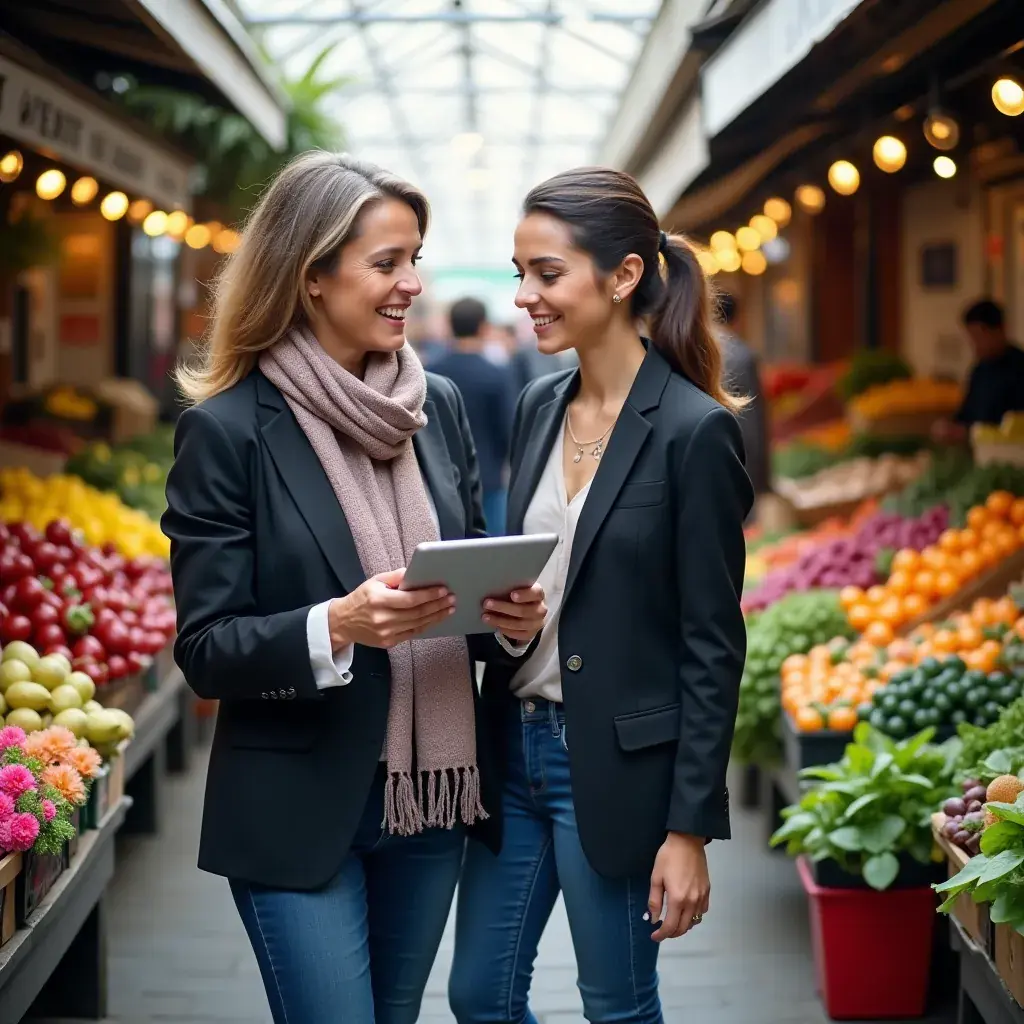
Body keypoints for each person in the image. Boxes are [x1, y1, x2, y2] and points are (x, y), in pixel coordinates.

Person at [161, 151, 546, 1024]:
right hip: (296, 806)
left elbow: (467, 575)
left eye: (416, 257)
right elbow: (206, 648)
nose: (413, 282)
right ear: (311, 277)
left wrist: (511, 619)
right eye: (387, 262)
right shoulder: (227, 431)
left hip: (431, 802)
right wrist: (335, 624)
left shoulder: (434, 405)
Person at [448, 167, 753, 1024]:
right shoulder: (539, 405)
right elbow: (541, 581)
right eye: (519, 274)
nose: (524, 298)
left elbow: (712, 644)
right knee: (477, 995)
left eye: (547, 274)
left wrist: (689, 829)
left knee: (616, 1004)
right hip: (514, 750)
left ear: (623, 277)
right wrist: (506, 626)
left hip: (617, 771)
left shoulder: (695, 431)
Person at [430, 298, 517, 534]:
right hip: (488, 476)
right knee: (491, 551)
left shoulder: (431, 374)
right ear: (483, 327)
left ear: (450, 325)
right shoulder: (496, 374)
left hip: (441, 479)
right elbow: (507, 430)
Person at [933, 299, 1024, 444]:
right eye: (972, 338)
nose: (975, 345)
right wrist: (950, 427)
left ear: (1000, 330)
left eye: (980, 336)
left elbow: (1014, 426)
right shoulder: (979, 370)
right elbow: (966, 413)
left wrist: (970, 432)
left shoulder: (1019, 368)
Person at [716, 290, 771, 505]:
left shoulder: (698, 350)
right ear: (738, 317)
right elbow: (754, 419)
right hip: (740, 448)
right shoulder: (741, 354)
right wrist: (763, 477)